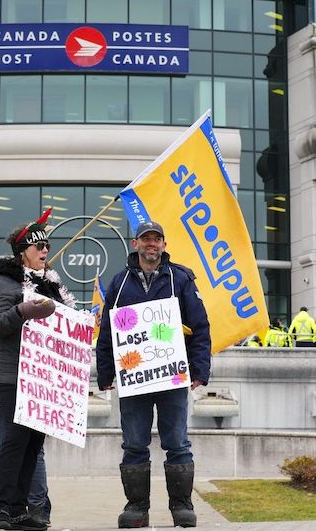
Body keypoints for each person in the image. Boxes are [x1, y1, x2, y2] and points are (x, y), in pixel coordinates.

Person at [96, 220, 211, 529]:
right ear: (136, 244)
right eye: (145, 239)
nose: (151, 244)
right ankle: (136, 507)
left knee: (177, 442)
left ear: (163, 244)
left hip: (172, 377)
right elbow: (106, 332)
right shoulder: (119, 282)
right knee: (134, 443)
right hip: (133, 380)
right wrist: (104, 372)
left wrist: (200, 369)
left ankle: (181, 505)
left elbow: (200, 326)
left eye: (156, 239)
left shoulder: (181, 279)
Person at [0, 208, 76, 531]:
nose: (45, 251)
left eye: (47, 246)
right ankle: (0, 509)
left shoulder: (50, 285)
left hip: (42, 377)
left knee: (33, 444)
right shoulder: (2, 281)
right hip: (11, 375)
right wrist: (22, 310)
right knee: (16, 439)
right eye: (39, 247)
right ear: (23, 252)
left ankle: (19, 509)